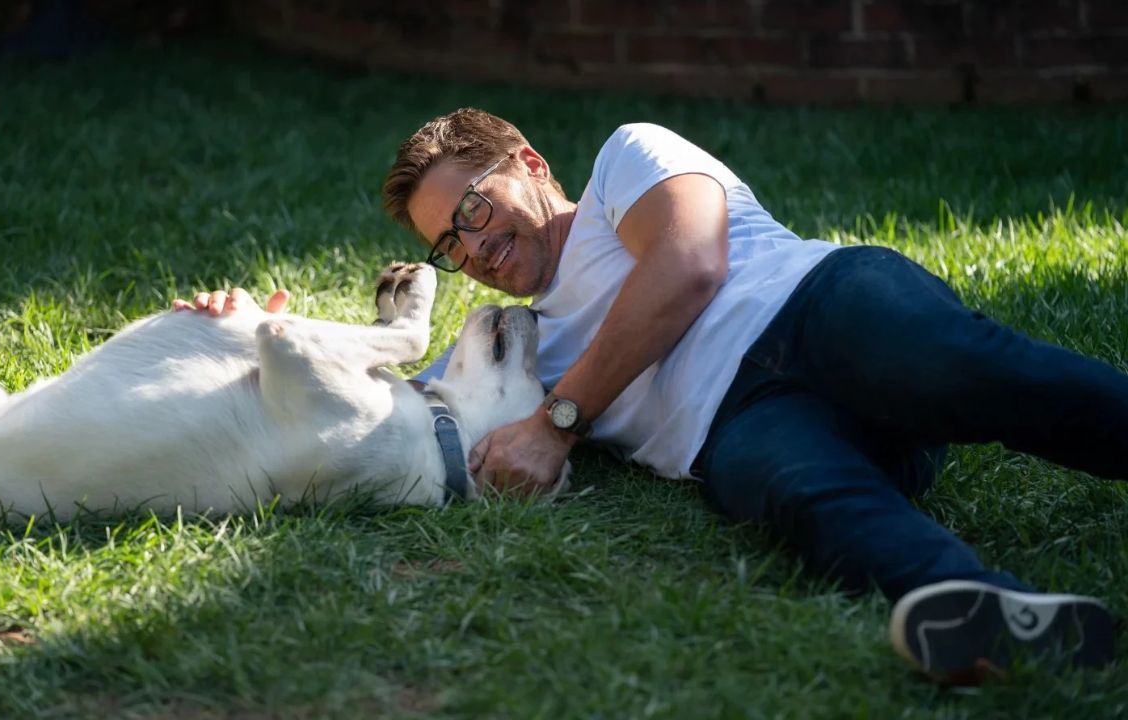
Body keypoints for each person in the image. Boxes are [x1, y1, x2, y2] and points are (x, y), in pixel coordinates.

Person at [177, 108, 1125, 684]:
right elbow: (382, 411)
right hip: (742, 425)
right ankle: (995, 616)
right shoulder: (510, 349)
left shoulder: (627, 162)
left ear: (531, 166)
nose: (473, 250)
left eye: (474, 211)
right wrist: (223, 333)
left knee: (965, 368)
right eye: (449, 246)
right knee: (794, 490)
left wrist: (559, 421)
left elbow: (689, 263)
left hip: (815, 308)